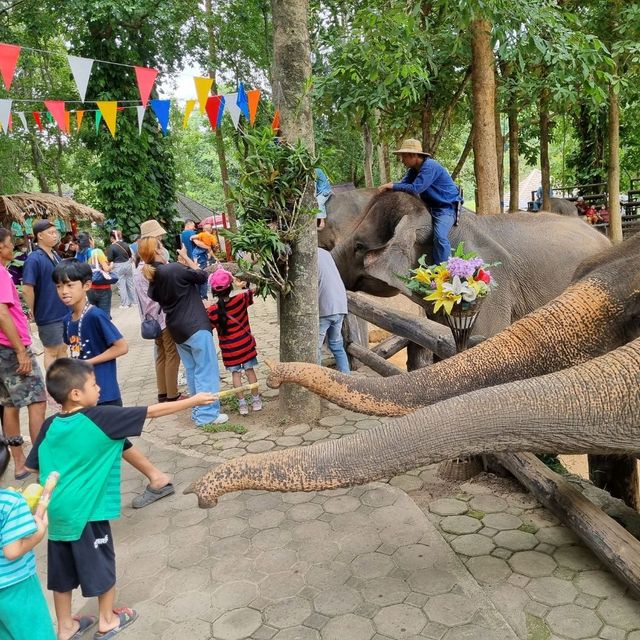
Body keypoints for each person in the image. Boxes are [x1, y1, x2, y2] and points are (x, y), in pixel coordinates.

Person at [25, 358, 217, 640]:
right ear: (76, 394)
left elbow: (34, 466)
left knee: (62, 573)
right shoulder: (101, 418)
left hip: (56, 513)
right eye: (94, 384)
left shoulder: (50, 425)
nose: (99, 388)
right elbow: (151, 412)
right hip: (88, 513)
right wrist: (194, 401)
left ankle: (65, 626)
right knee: (102, 564)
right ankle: (106, 620)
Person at [52, 259, 175, 509]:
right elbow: (72, 350)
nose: (64, 291)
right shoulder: (69, 319)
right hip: (83, 396)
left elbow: (122, 347)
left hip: (102, 393)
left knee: (107, 441)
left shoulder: (95, 316)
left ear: (86, 285)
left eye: (69, 284)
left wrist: (89, 364)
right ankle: (157, 479)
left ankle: (155, 480)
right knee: (112, 441)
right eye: (58, 286)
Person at [143, 230, 228, 427]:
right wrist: (186, 258)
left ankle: (198, 410)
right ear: (156, 251)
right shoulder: (171, 269)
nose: (164, 248)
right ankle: (207, 415)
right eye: (160, 245)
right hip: (195, 325)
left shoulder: (155, 276)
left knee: (192, 371)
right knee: (206, 370)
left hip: (177, 329)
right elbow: (200, 276)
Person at [0, 228, 46, 480]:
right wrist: (21, 352)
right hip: (10, 349)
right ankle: (38, 462)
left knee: (9, 404)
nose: (13, 248)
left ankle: (19, 463)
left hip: (3, 350)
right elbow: (2, 314)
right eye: (9, 244)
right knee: (37, 400)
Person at [0, 436, 55, 640]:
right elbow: (12, 551)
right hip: (15, 584)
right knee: (34, 633)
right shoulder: (10, 502)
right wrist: (39, 531)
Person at [378, 138, 460, 264]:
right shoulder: (413, 170)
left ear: (413, 155)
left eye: (404, 157)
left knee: (440, 237)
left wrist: (392, 186)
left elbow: (416, 188)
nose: (402, 161)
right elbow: (403, 184)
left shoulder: (430, 167)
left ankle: (445, 270)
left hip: (445, 207)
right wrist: (390, 187)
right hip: (428, 206)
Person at [206, 269, 262, 416]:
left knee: (236, 375)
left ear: (213, 290)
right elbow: (258, 287)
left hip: (229, 350)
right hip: (246, 345)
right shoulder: (241, 299)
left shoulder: (212, 310)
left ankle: (242, 404)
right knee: (250, 371)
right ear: (230, 287)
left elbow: (209, 327)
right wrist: (242, 284)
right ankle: (256, 401)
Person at [134, 240, 182, 403]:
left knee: (161, 355)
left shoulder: (138, 270)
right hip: (163, 317)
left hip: (151, 320)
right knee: (172, 355)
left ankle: (162, 392)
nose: (163, 250)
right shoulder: (154, 270)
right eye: (160, 247)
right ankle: (173, 394)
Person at [22, 219, 68, 369]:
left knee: (63, 347)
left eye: (56, 232)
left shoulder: (55, 254)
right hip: (47, 313)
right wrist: (32, 311)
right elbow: (27, 288)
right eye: (51, 233)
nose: (55, 236)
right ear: (40, 235)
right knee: (51, 350)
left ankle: (66, 381)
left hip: (62, 310)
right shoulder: (34, 258)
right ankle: (52, 385)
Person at [317, 248, 350, 373]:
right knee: (337, 345)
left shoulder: (307, 254)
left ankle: (318, 380)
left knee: (316, 348)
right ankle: (347, 378)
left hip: (326, 307)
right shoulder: (325, 253)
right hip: (340, 304)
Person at [75, 231, 115, 317]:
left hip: (89, 289)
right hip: (103, 288)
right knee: (104, 317)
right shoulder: (97, 252)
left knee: (95, 316)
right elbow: (106, 269)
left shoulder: (78, 255)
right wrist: (112, 265)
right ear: (90, 240)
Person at [106, 230, 135, 309]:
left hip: (119, 266)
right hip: (128, 264)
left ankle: (125, 304)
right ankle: (134, 302)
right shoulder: (125, 244)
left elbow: (110, 259)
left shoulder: (112, 247)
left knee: (121, 285)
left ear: (112, 237)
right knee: (130, 283)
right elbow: (129, 255)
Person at [191, 223, 219, 299]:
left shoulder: (202, 234)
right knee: (203, 275)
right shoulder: (212, 237)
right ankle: (203, 295)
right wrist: (212, 252)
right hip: (206, 253)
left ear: (204, 230)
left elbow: (193, 237)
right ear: (210, 230)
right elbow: (214, 246)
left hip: (201, 253)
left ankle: (202, 295)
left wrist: (191, 238)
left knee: (195, 254)